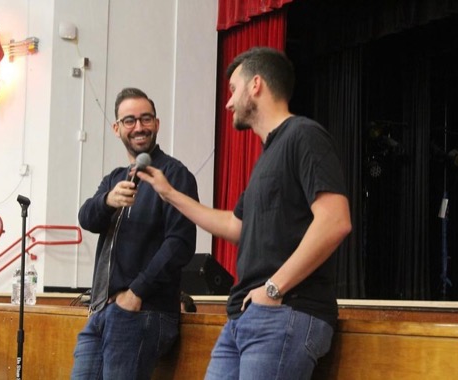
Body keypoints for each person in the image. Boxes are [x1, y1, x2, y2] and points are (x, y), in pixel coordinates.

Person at [137, 47, 352, 379]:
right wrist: (170, 194)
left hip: (285, 309)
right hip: (245, 315)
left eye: (233, 90)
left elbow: (335, 220)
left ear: (256, 85)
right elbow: (235, 225)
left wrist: (273, 288)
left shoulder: (304, 135)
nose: (228, 102)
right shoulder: (266, 156)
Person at [71, 87, 199, 380]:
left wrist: (136, 293)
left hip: (142, 311)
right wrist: (107, 201)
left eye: (146, 119)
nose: (139, 127)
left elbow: (180, 244)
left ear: (157, 124)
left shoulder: (174, 175)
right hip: (102, 311)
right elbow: (86, 217)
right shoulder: (115, 178)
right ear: (116, 128)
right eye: (129, 120)